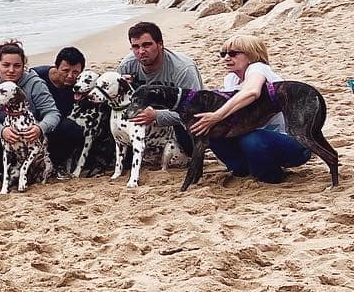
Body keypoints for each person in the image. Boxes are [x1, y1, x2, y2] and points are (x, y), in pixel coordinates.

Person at [191, 35, 312, 183]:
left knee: (251, 139)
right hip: (256, 136)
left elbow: (252, 92)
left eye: (233, 53)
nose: (226, 58)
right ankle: (241, 169)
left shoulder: (258, 68)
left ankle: (270, 176)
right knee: (210, 129)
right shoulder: (231, 79)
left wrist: (217, 115)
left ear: (251, 55)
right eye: (223, 54)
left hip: (291, 141)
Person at [0, 41, 61, 176]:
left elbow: (52, 113)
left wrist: (40, 128)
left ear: (23, 67)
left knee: (67, 129)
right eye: (6, 65)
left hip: (33, 135)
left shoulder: (34, 83)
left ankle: (49, 166)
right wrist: (2, 131)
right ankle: (5, 172)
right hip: (6, 135)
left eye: (17, 66)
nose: (11, 70)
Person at [116, 21, 203, 153]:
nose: (141, 51)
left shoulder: (183, 68)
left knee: (189, 145)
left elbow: (195, 109)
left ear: (160, 44)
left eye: (147, 45)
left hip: (177, 115)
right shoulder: (127, 66)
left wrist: (156, 115)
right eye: (135, 47)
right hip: (143, 115)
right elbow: (117, 101)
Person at [33, 46, 88, 174]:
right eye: (65, 70)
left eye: (76, 72)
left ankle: (56, 163)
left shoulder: (79, 85)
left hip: (58, 126)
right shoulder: (36, 77)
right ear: (56, 67)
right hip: (35, 122)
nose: (70, 76)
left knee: (73, 129)